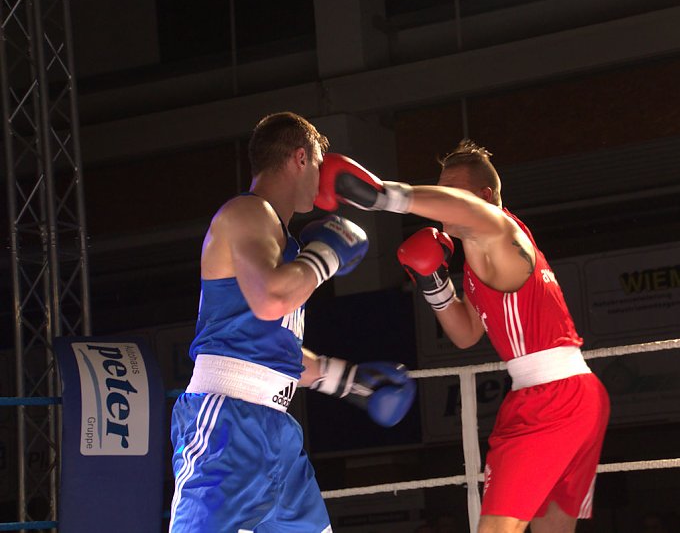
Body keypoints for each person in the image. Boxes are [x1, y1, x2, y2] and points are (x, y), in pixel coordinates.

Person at [314, 140, 611, 533]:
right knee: (552, 529)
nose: (444, 201)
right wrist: (433, 282)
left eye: (451, 191)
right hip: (563, 394)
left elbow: (467, 209)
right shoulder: (480, 259)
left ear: (485, 197)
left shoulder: (501, 228)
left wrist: (381, 195)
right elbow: (467, 333)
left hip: (553, 399)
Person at [168, 112, 416, 533]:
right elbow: (271, 299)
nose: (323, 182)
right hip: (226, 425)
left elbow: (271, 344)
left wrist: (346, 379)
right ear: (301, 157)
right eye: (319, 164)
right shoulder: (246, 213)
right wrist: (329, 254)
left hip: (277, 429)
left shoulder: (285, 245)